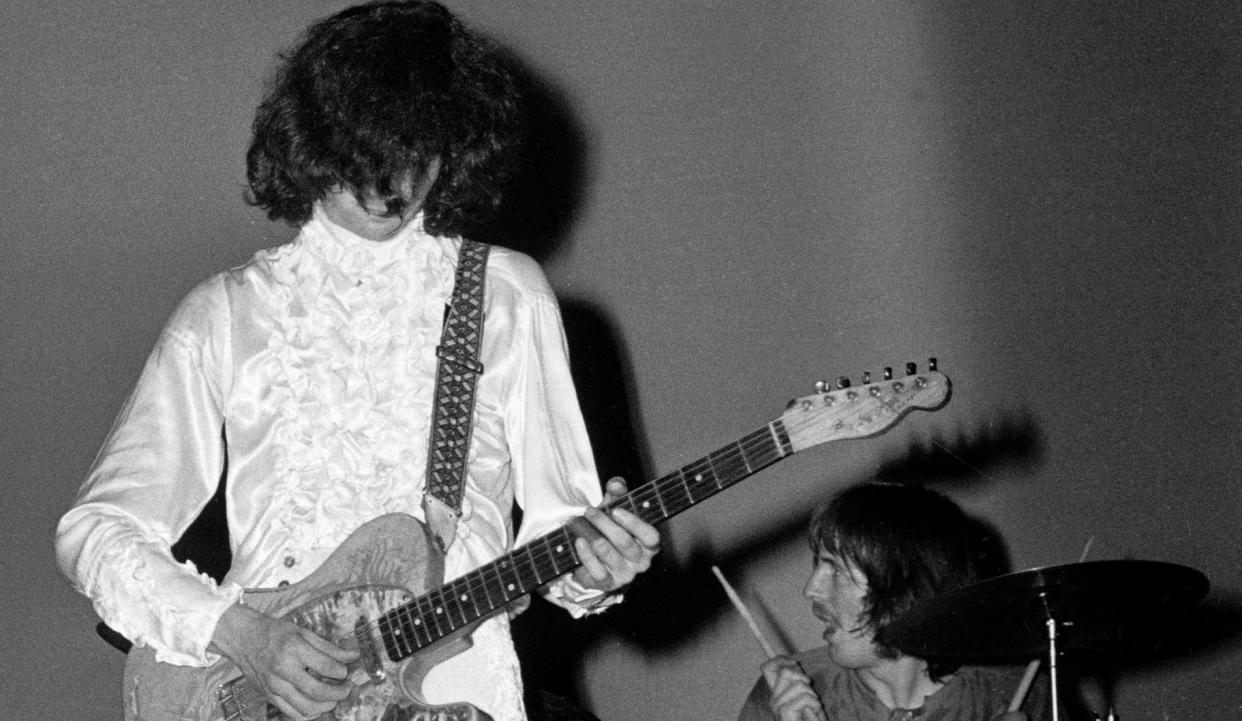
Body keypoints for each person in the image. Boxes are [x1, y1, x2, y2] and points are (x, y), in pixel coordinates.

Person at [54, 3, 659, 720]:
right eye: (359, 152)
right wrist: (241, 633)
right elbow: (95, 529)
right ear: (309, 145)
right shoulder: (224, 313)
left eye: (417, 149)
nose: (389, 182)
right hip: (259, 694)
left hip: (457, 689)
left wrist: (595, 568)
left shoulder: (505, 293)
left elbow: (563, 530)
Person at [737, 482, 1050, 721]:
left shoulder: (1016, 691)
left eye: (835, 568)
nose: (811, 589)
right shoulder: (784, 695)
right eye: (817, 564)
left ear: (909, 589)